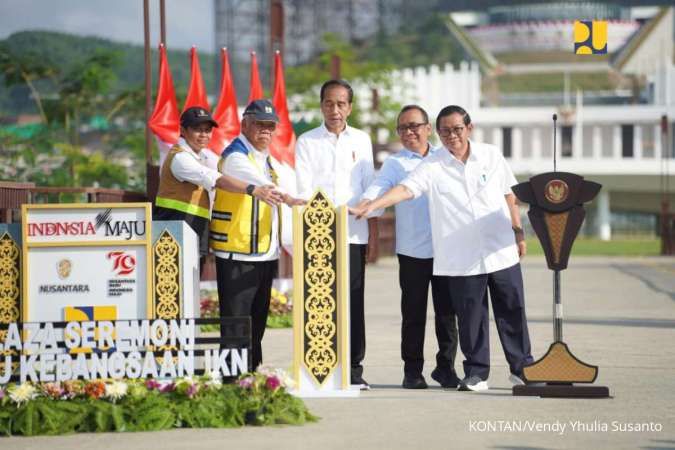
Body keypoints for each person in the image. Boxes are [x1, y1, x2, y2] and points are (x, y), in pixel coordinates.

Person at [352, 105, 534, 392]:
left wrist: (518, 232)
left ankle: (522, 368)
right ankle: (476, 373)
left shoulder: (490, 154)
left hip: (499, 247)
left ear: (469, 128)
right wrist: (372, 205)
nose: (452, 136)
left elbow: (508, 193)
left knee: (511, 308)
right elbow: (405, 189)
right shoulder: (432, 165)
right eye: (446, 131)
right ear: (438, 133)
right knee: (471, 316)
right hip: (460, 254)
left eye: (457, 129)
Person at [358, 105, 459, 389]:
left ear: (429, 129)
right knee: (413, 313)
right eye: (403, 128)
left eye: (414, 126)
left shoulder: (446, 157)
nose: (409, 132)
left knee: (447, 314)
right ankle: (412, 371)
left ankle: (446, 367)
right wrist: (365, 204)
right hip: (413, 250)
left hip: (447, 249)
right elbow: (380, 188)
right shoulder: (395, 163)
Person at [295, 79, 377, 389]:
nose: (335, 110)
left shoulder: (361, 140)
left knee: (354, 302)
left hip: (354, 233)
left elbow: (369, 185)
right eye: (329, 103)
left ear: (350, 107)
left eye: (341, 104)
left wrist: (371, 212)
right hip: (318, 236)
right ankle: (323, 368)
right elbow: (303, 189)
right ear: (321, 106)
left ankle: (354, 370)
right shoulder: (306, 142)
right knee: (320, 302)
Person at [210, 99, 303, 371]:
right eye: (259, 124)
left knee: (258, 319)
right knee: (237, 320)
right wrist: (285, 196)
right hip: (237, 251)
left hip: (263, 251)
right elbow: (257, 182)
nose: (266, 131)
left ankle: (250, 373)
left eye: (270, 126)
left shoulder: (267, 160)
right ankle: (231, 378)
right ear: (245, 124)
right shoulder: (235, 156)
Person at [154, 106, 281, 269]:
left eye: (207, 130)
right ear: (183, 131)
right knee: (176, 290)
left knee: (190, 288)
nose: (204, 135)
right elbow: (218, 180)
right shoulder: (180, 158)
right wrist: (253, 189)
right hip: (173, 232)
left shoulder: (200, 156)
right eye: (197, 130)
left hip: (191, 230)